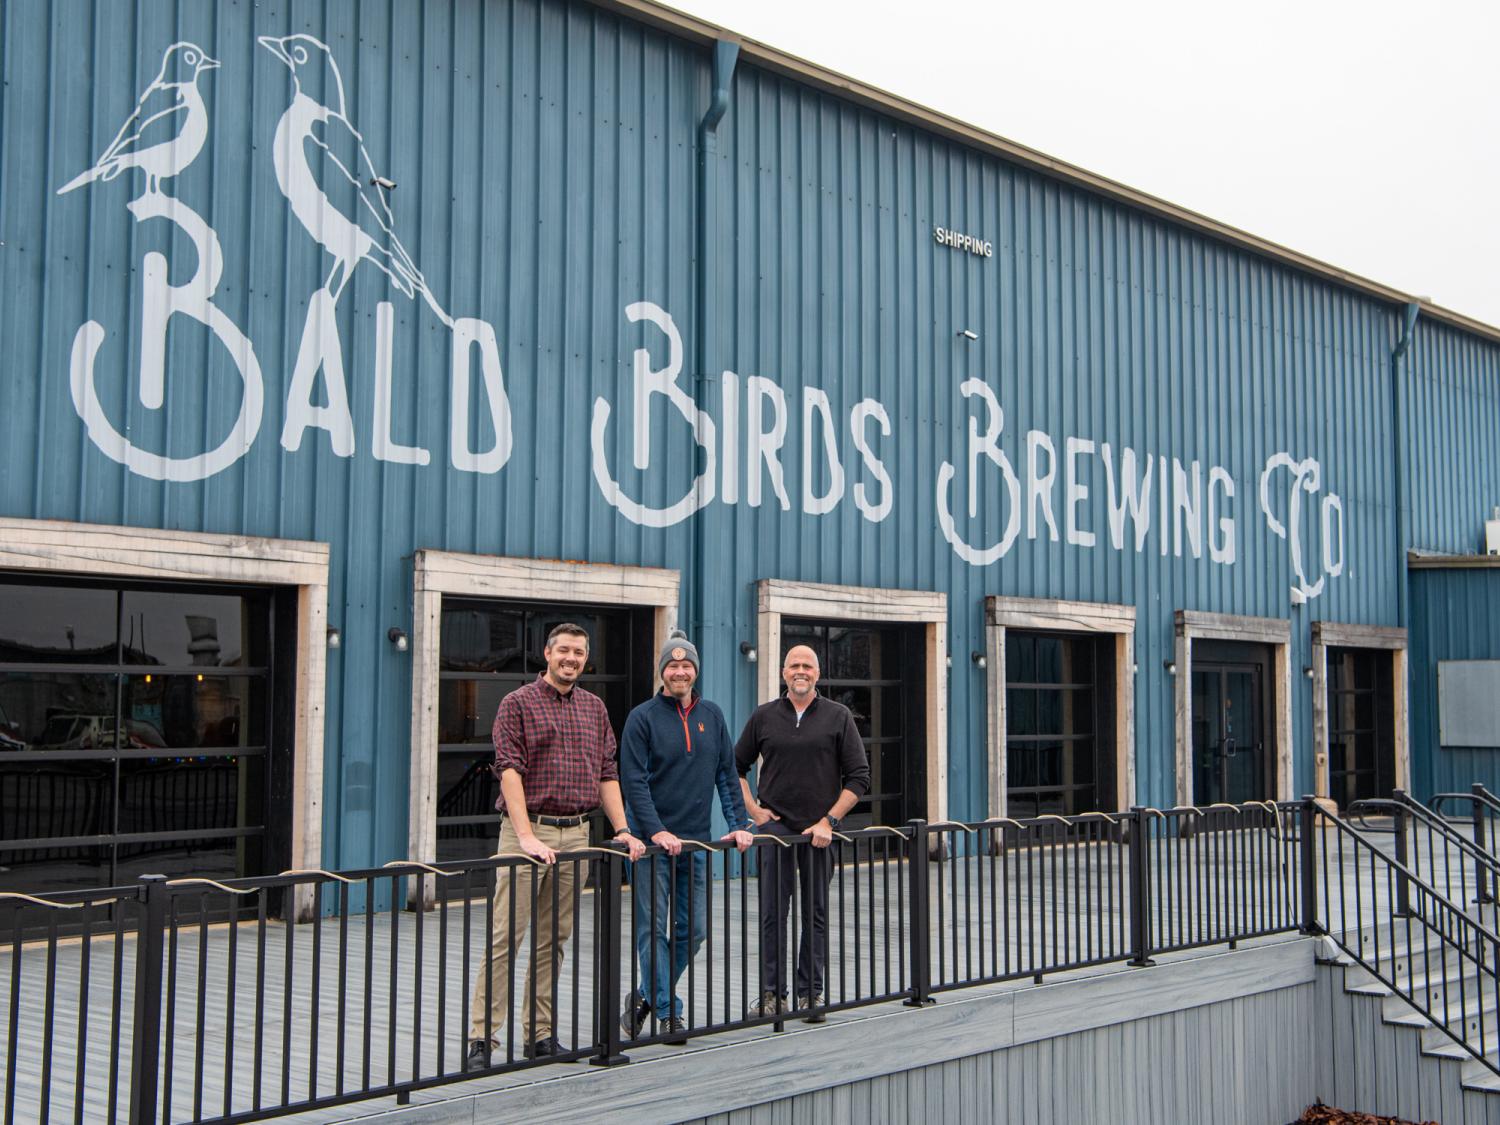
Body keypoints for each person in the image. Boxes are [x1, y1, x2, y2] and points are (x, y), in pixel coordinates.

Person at [466, 623, 645, 1069]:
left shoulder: (595, 708)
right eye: (563, 650)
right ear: (547, 653)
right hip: (528, 831)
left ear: (586, 658)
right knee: (506, 937)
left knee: (554, 940)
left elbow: (607, 773)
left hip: (577, 834)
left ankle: (540, 1036)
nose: (571, 658)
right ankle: (482, 1040)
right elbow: (509, 771)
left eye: (579, 652)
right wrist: (526, 836)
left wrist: (622, 828)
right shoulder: (517, 704)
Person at [618, 629, 755, 1043]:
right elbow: (634, 781)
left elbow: (726, 775)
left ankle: (644, 995)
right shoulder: (641, 717)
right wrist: (656, 830)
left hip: (695, 842)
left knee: (694, 930)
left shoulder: (711, 715)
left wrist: (737, 824)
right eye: (673, 665)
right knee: (653, 929)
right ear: (663, 671)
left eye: (686, 665)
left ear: (695, 671)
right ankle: (667, 1012)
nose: (680, 671)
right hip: (651, 845)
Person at [734, 644, 870, 1022]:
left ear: (817, 673)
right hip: (775, 831)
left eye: (807, 666)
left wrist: (830, 820)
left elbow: (860, 777)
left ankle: (811, 994)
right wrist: (755, 812)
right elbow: (734, 766)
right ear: (783, 673)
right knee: (772, 915)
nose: (800, 671)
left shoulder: (839, 716)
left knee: (815, 914)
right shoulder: (763, 717)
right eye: (794, 665)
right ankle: (772, 995)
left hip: (819, 832)